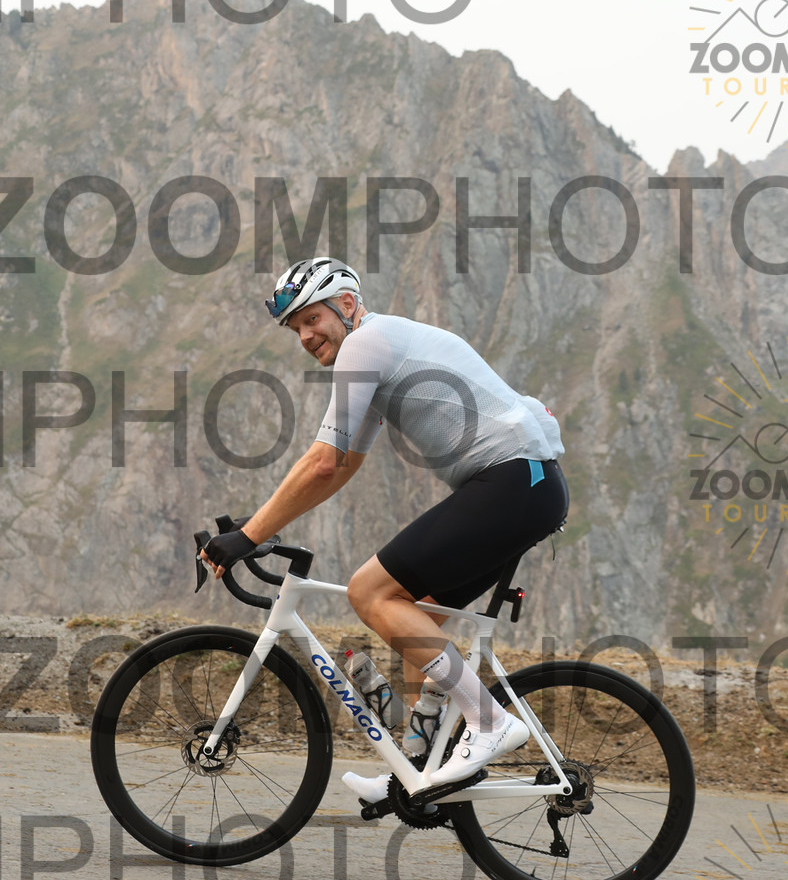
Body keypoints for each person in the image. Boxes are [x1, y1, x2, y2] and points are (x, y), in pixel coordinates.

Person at [199, 257, 568, 796]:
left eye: (311, 319)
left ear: (347, 305)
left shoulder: (365, 344)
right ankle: (416, 773)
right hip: (526, 487)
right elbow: (342, 464)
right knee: (417, 619)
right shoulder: (379, 349)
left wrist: (247, 536)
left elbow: (322, 462)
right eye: (296, 329)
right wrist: (258, 523)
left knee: (369, 591)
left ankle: (489, 721)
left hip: (514, 481)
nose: (305, 336)